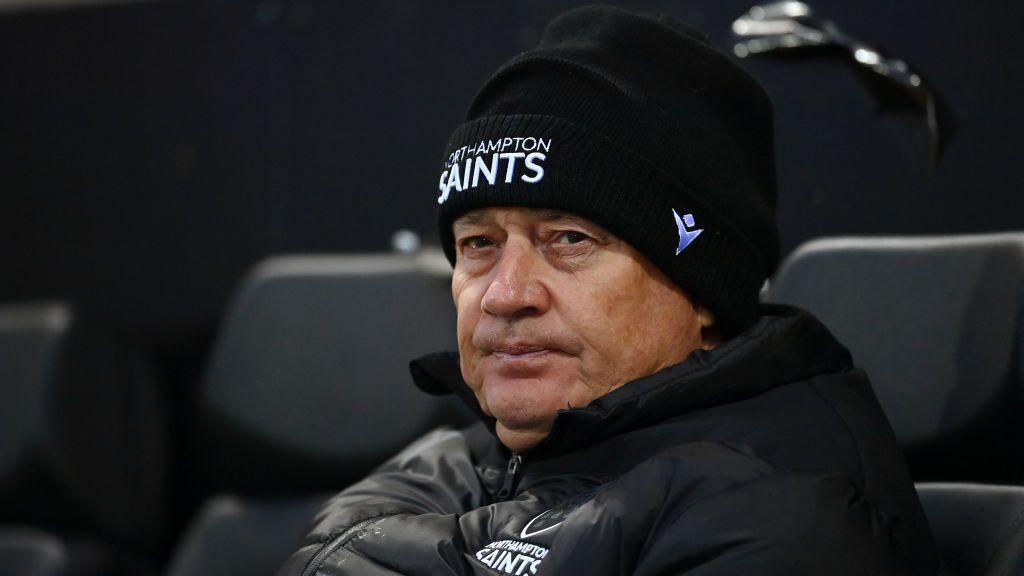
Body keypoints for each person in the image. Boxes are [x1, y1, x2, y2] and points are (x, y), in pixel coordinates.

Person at [278, 5, 942, 575]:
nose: (505, 294)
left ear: (704, 291)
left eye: (569, 239)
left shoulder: (790, 516)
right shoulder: (469, 458)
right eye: (478, 243)